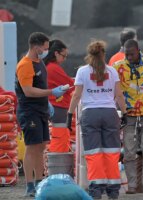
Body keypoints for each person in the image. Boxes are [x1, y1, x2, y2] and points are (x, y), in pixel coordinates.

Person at [66, 40, 127, 199]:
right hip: (110, 114)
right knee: (112, 153)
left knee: (94, 154)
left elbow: (77, 95)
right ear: (104, 54)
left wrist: (69, 114)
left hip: (90, 114)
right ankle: (113, 191)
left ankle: (96, 191)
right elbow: (119, 95)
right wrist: (125, 113)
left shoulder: (82, 71)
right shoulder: (112, 71)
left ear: (89, 55)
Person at [15, 32, 68, 197]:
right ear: (36, 46)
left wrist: (47, 101)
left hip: (41, 110)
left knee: (41, 146)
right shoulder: (25, 64)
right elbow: (28, 91)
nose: (47, 50)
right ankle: (29, 185)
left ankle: (40, 182)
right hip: (29, 111)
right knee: (31, 147)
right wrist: (51, 91)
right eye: (45, 47)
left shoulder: (40, 63)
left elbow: (39, 86)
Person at [113, 39, 143, 193]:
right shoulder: (118, 67)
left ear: (138, 50)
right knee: (129, 152)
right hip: (129, 114)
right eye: (126, 54)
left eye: (132, 54)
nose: (129, 57)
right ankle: (132, 186)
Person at [44, 39, 74, 152]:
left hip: (53, 106)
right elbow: (71, 84)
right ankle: (58, 166)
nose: (64, 59)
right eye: (63, 56)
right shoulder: (53, 68)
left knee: (58, 137)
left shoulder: (47, 66)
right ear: (56, 53)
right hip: (58, 107)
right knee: (60, 137)